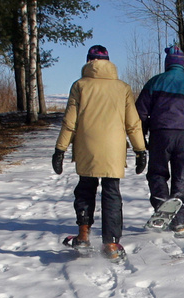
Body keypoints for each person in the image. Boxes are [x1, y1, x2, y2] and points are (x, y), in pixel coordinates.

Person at [52, 45, 147, 261]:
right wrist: (140, 149)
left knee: (86, 189)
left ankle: (83, 236)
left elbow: (70, 122)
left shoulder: (80, 86)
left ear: (89, 62)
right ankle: (112, 244)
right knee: (112, 192)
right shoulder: (122, 87)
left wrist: (60, 149)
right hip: (114, 148)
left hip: (87, 146)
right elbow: (133, 123)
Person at [135, 45, 184, 238]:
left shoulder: (155, 82)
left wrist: (142, 135)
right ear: (183, 65)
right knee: (180, 178)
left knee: (157, 173)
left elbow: (140, 113)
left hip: (160, 134)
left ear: (167, 64)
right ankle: (180, 222)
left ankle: (162, 204)